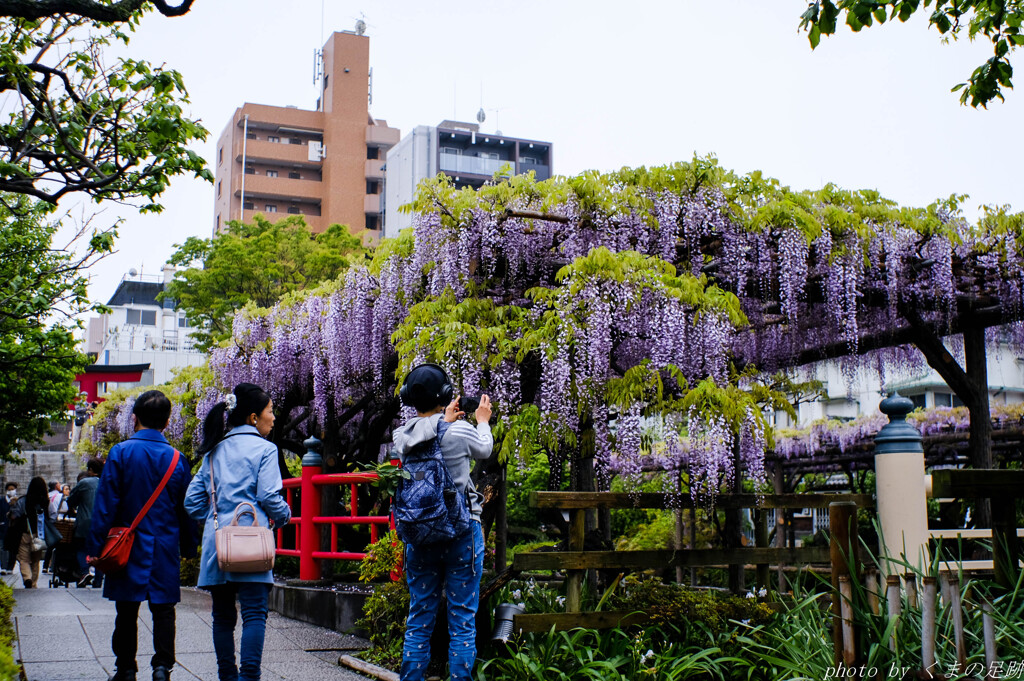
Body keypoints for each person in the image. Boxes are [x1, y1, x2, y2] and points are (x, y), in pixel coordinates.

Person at [391, 364, 493, 681]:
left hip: (420, 534)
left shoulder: (402, 435)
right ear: (446, 396)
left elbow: (429, 430)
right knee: (461, 616)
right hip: (462, 531)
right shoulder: (459, 430)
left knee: (420, 614)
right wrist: (483, 421)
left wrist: (441, 419)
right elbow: (485, 450)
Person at [185, 383, 291, 681]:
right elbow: (270, 496)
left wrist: (215, 518)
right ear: (254, 417)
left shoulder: (213, 449)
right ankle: (249, 677)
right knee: (254, 613)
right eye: (271, 412)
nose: (274, 418)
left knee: (222, 616)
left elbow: (192, 502)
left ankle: (227, 676)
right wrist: (284, 517)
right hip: (252, 543)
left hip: (218, 545)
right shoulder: (265, 449)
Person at [88, 390, 196, 681]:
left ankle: (125, 668)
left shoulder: (120, 453)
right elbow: (186, 508)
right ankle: (162, 667)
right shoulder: (177, 459)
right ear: (167, 421)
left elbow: (106, 504)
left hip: (128, 544)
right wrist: (188, 546)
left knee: (126, 609)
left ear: (133, 417)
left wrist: (96, 546)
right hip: (163, 544)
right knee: (163, 610)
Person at [9, 477, 56, 588]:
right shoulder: (47, 502)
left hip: (24, 533)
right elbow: (53, 516)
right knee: (35, 560)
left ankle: (27, 578)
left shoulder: (23, 501)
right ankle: (33, 583)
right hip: (40, 535)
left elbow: (14, 515)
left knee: (23, 559)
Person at [68, 459, 105, 588]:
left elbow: (71, 500)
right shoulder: (106, 482)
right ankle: (98, 580)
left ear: (90, 470)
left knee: (81, 548)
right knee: (100, 551)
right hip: (102, 522)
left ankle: (85, 572)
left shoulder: (84, 483)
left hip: (84, 521)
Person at [2, 482, 18, 574]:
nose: (11, 491)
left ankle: (10, 567)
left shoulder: (18, 501)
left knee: (13, 549)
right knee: (2, 548)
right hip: (3, 527)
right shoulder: (2, 501)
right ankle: (3, 566)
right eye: (9, 489)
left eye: (13, 489)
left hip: (14, 528)